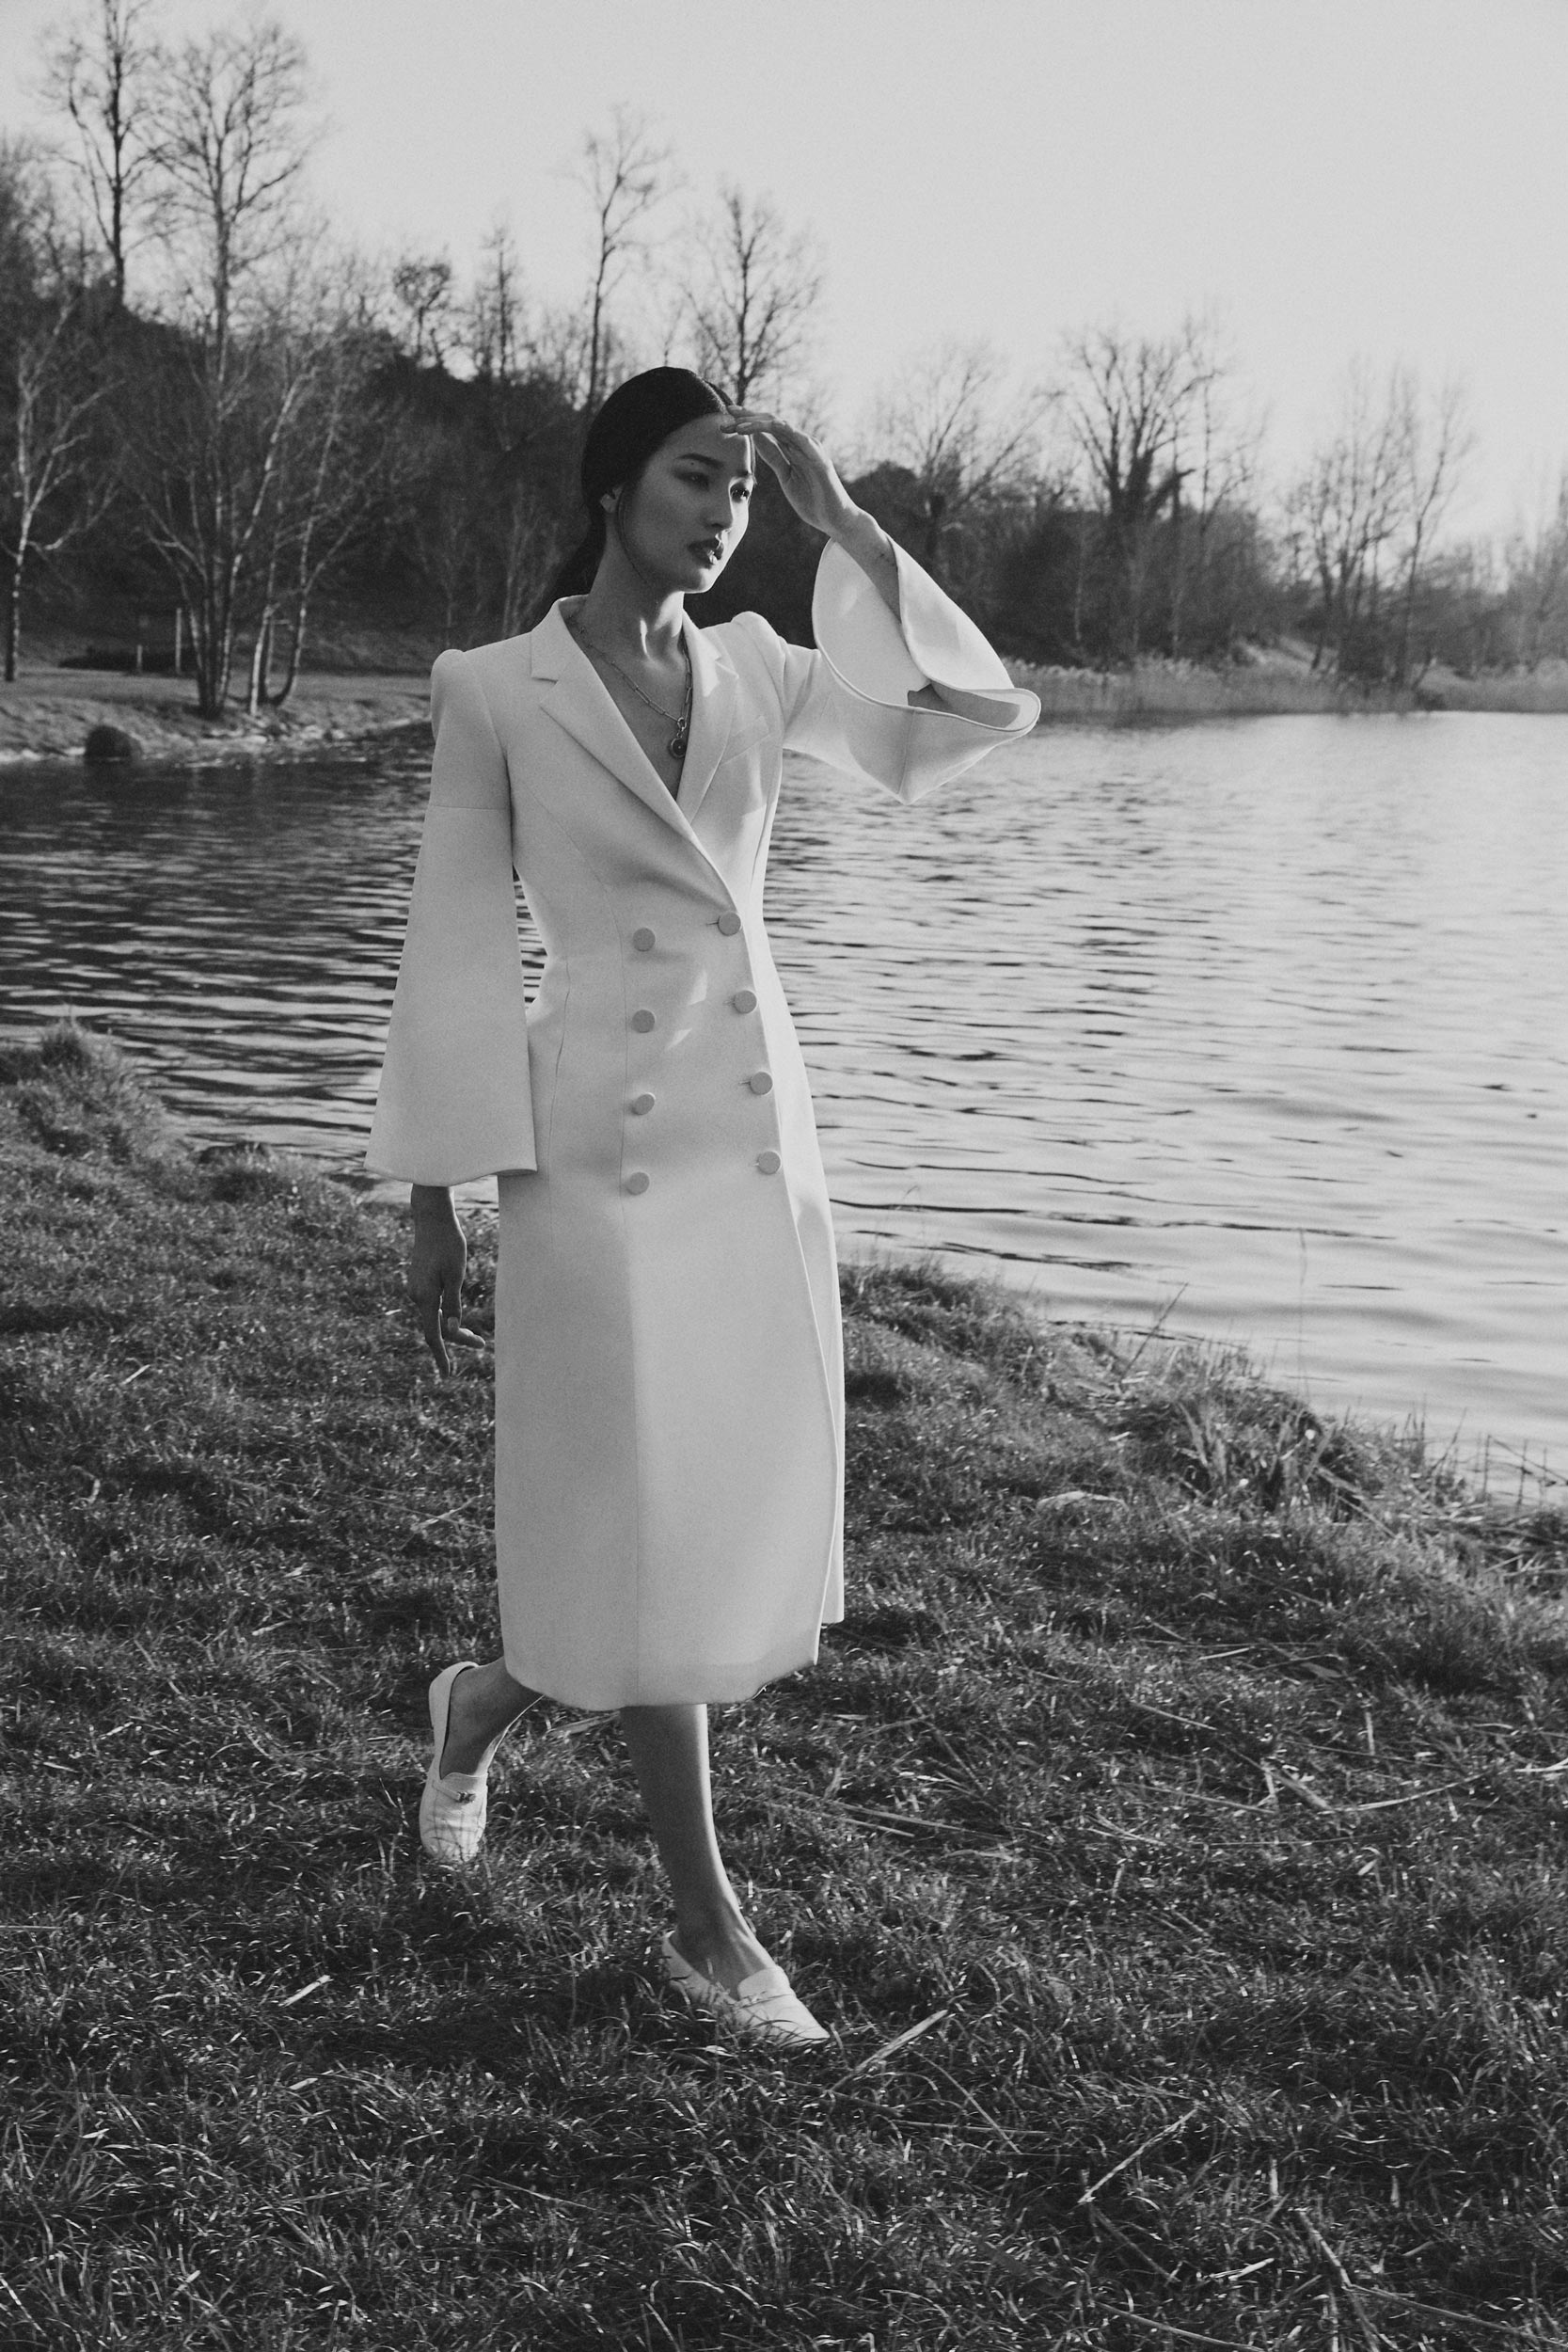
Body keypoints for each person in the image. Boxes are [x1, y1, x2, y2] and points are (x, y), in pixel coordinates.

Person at [367, 367, 1037, 2046]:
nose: (722, 513)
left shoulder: (760, 666)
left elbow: (964, 722)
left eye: (741, 492)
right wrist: (435, 1194)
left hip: (750, 1143)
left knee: (681, 1520)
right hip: (586, 1153)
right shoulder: (496, 686)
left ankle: (475, 1705)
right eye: (695, 480)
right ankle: (705, 1923)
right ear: (615, 487)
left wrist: (852, 532)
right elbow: (455, 933)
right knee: (645, 1510)